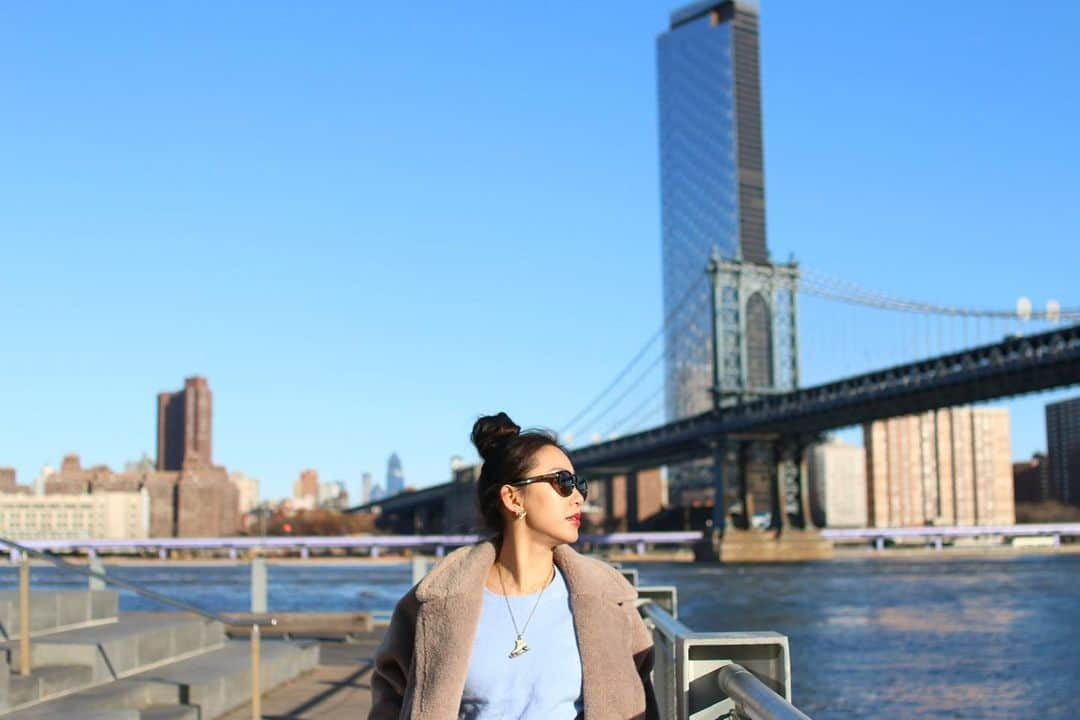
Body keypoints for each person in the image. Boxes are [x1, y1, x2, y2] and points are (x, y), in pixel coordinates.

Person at [369, 412, 658, 720]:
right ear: (513, 498)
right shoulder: (435, 600)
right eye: (563, 482)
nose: (577, 498)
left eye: (579, 485)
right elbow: (391, 693)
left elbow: (641, 700)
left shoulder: (608, 599)